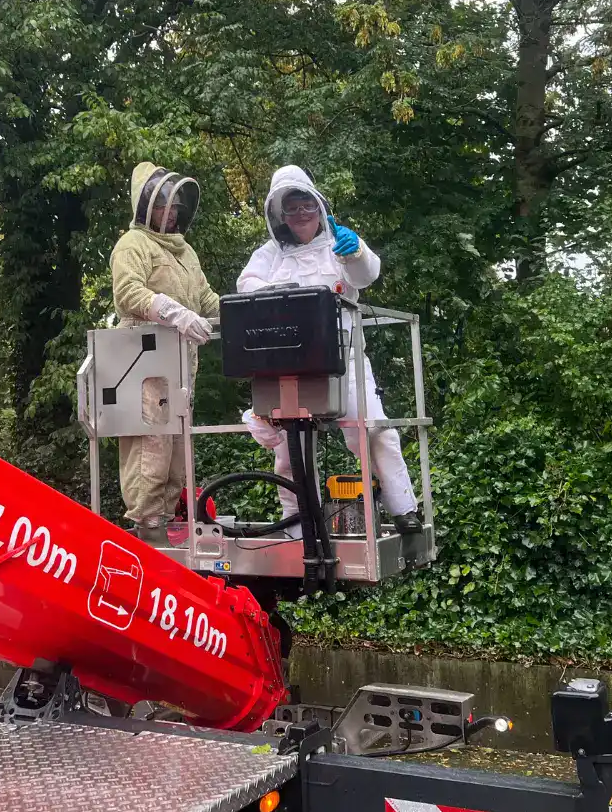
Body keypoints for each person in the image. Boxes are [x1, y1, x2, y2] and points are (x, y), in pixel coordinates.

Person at [237, 165, 421, 535]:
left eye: (306, 204)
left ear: (318, 205)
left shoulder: (339, 242)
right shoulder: (270, 254)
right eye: (292, 208)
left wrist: (355, 255)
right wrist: (282, 292)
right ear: (280, 215)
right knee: (290, 452)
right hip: (291, 366)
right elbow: (246, 286)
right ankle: (298, 526)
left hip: (346, 361)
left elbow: (367, 274)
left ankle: (404, 509)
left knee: (374, 430)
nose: (301, 214)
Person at [110, 162, 219, 545]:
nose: (171, 213)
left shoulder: (185, 251)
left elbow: (206, 299)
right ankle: (145, 526)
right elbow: (128, 293)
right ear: (146, 207)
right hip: (141, 362)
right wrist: (175, 313)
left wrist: (243, 314)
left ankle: (165, 520)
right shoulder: (132, 244)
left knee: (176, 449)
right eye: (163, 206)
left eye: (175, 206)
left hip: (179, 365)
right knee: (149, 446)